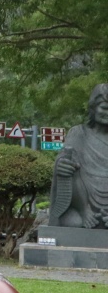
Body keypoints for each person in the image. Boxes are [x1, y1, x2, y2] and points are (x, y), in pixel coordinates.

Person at [49, 83, 108, 229]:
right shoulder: (78, 133)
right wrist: (61, 165)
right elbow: (64, 158)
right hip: (81, 204)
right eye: (104, 108)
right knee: (69, 165)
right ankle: (84, 212)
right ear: (93, 108)